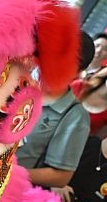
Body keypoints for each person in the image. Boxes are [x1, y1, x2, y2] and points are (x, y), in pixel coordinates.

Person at [17, 30, 95, 188]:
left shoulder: (74, 115)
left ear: (78, 72)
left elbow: (61, 176)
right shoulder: (14, 77)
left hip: (4, 188)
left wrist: (5, 172)